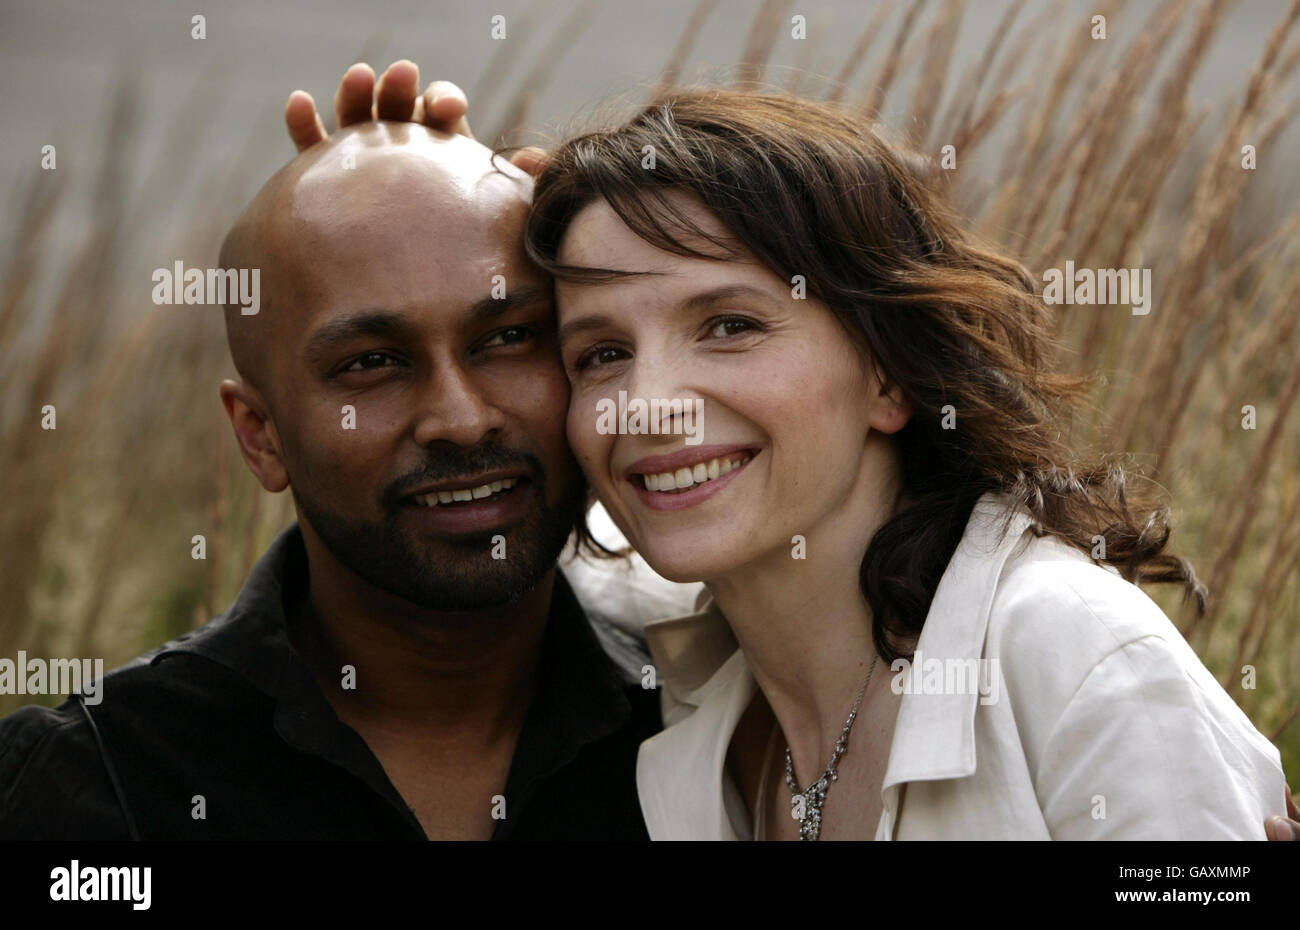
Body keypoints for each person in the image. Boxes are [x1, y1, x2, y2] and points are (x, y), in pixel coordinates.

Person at [518, 88, 1292, 839]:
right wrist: (420, 165)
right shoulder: (700, 705)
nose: (649, 405)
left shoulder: (1069, 654)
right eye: (603, 353)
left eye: (730, 325)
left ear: (887, 374)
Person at [0, 108, 692, 840]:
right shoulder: (96, 782)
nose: (460, 420)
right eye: (370, 362)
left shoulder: (707, 725)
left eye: (510, 337)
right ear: (261, 438)